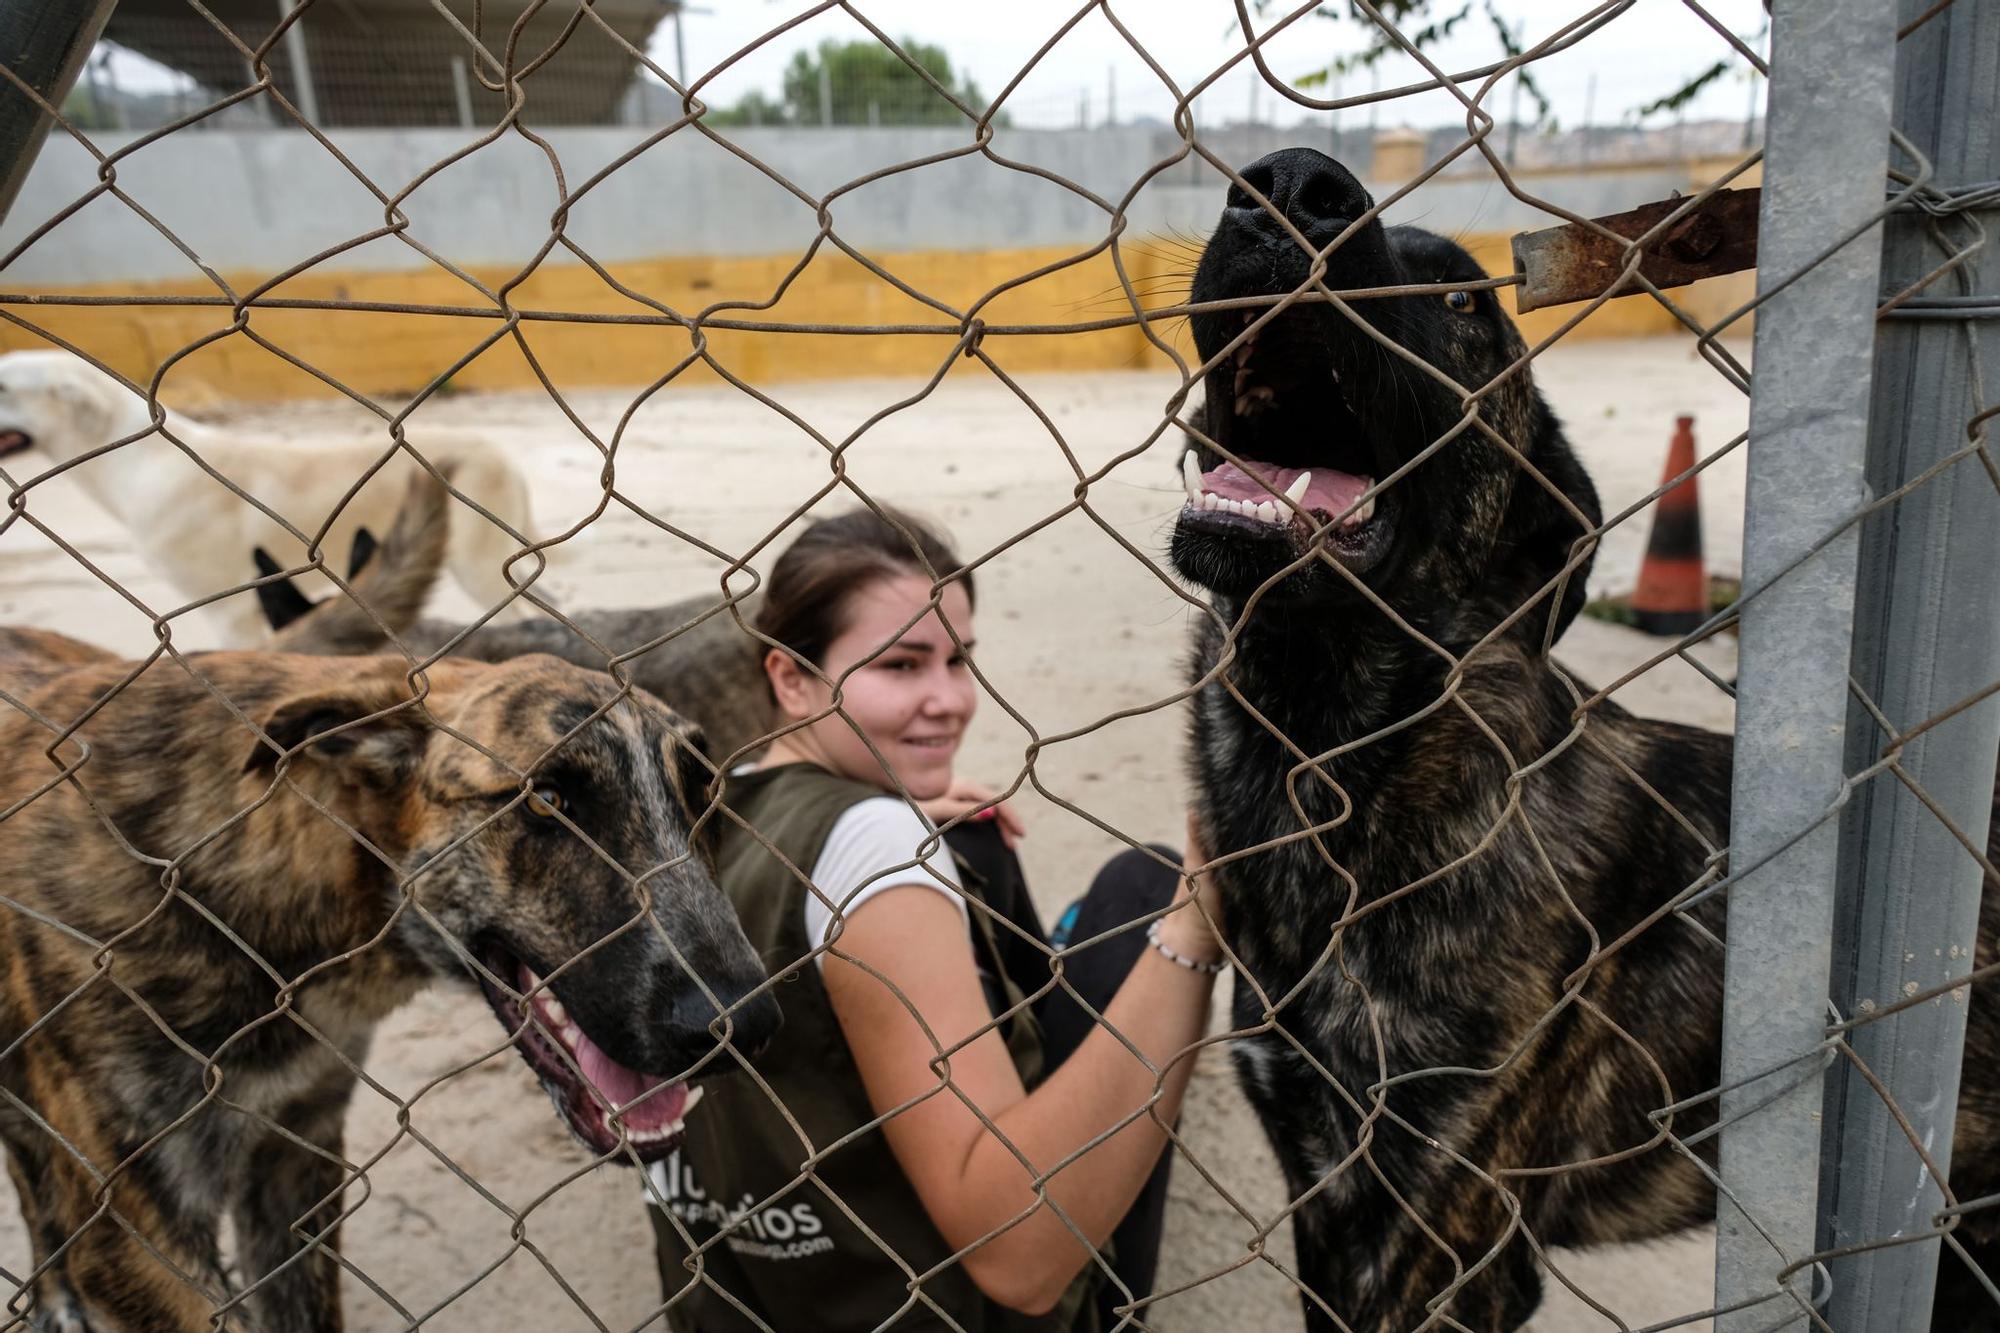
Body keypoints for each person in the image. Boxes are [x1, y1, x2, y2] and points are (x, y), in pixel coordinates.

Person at [647, 506, 1226, 1332]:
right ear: (790, 678)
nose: (950, 700)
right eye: (901, 664)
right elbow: (1017, 1260)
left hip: (748, 1296)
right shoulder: (874, 842)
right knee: (1145, 885)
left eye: (959, 661)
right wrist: (1195, 926)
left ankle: (1041, 975)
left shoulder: (694, 817)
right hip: (955, 1307)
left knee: (978, 845)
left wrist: (901, 804)